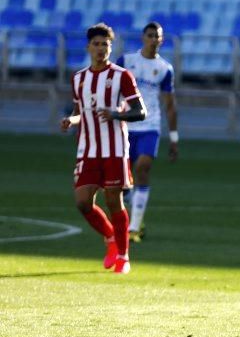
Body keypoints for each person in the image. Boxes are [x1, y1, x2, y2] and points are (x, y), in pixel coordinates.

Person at [60, 23, 147, 274]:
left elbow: (140, 111)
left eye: (105, 45)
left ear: (111, 47)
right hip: (87, 149)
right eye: (96, 44)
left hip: (115, 148)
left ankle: (123, 255)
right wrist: (71, 121)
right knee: (83, 202)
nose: (101, 49)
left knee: (114, 201)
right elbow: (79, 112)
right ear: (88, 47)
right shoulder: (78, 78)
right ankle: (110, 236)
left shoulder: (122, 76)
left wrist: (116, 115)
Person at [116, 22, 178, 243]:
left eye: (157, 36)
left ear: (161, 40)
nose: (153, 39)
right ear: (143, 37)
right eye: (150, 35)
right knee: (121, 182)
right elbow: (113, 89)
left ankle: (133, 228)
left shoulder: (164, 69)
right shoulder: (126, 61)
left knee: (142, 167)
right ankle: (135, 214)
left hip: (149, 126)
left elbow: (170, 105)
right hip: (126, 124)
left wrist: (173, 138)